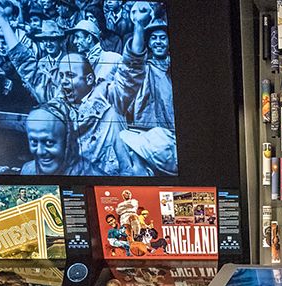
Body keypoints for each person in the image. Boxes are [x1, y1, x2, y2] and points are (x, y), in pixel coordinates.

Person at [55, 5, 150, 175]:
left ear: (90, 38)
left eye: (78, 38)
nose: (75, 42)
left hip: (111, 133)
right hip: (87, 138)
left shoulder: (112, 59)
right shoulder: (77, 65)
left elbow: (129, 81)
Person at [21, 100, 106, 175]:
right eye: (34, 142)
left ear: (68, 142)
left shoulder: (95, 177)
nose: (40, 151)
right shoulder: (28, 170)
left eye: (49, 142)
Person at [0, 16, 67, 104]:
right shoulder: (41, 62)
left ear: (60, 42)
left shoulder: (69, 61)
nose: (48, 44)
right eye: (45, 40)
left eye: (52, 40)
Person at [129, 19, 175, 131]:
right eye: (154, 38)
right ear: (149, 43)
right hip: (149, 132)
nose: (158, 42)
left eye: (163, 38)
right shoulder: (143, 70)